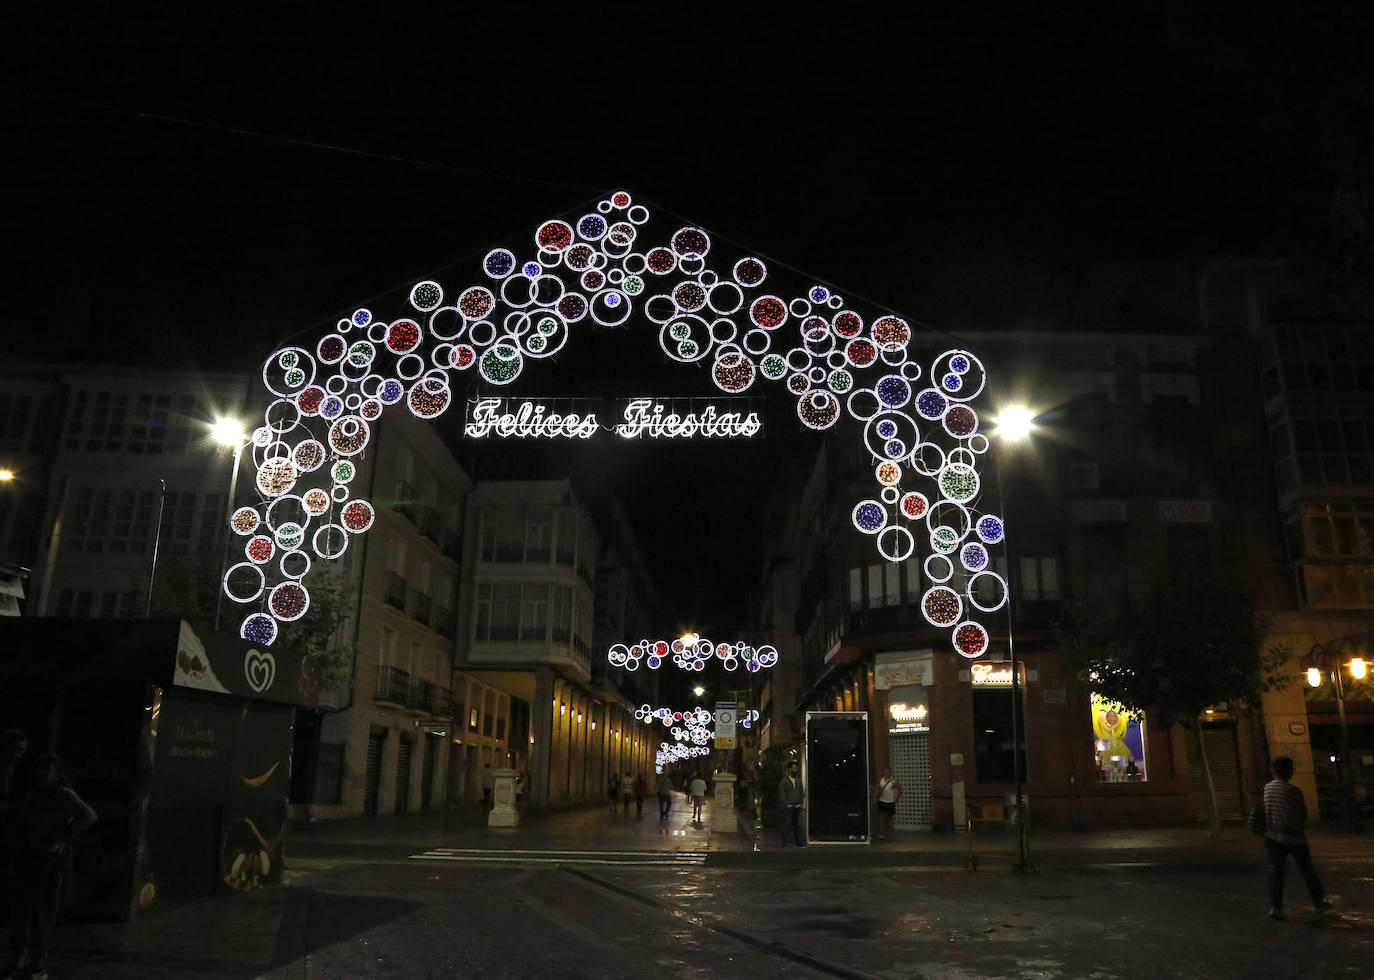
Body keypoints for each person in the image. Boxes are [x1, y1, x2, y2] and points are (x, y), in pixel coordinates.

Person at [4, 754, 97, 980]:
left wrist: (65, 834)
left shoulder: (61, 796)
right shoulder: (36, 795)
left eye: (48, 770)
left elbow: (89, 816)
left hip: (45, 859)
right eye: (41, 769)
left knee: (36, 913)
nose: (43, 774)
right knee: (24, 913)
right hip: (31, 856)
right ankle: (22, 960)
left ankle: (36, 962)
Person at [1262, 755, 1329, 920]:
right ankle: (1319, 904)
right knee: (1308, 871)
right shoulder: (1295, 791)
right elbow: (1303, 814)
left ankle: (1276, 908)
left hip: (1272, 837)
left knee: (1277, 873)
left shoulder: (1267, 788)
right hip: (1294, 838)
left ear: (1274, 771)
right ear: (1289, 772)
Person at [778, 761, 805, 846]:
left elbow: (801, 792)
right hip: (788, 807)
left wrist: (800, 803)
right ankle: (785, 842)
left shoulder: (798, 780)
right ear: (789, 769)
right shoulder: (784, 781)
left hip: (797, 806)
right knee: (786, 825)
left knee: (797, 825)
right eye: (794, 768)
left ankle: (798, 842)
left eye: (796, 768)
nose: (795, 770)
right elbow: (782, 794)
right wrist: (786, 804)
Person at [875, 767, 902, 840]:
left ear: (890, 773)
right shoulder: (880, 780)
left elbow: (899, 789)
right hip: (882, 801)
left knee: (888, 818)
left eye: (887, 772)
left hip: (890, 801)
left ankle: (887, 832)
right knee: (882, 818)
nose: (886, 773)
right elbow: (877, 789)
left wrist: (897, 798)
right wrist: (877, 794)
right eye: (884, 772)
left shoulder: (893, 781)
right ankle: (882, 832)